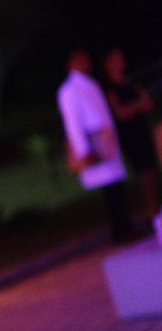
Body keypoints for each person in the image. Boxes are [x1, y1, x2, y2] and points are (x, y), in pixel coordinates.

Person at [58, 48, 132, 242]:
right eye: (80, 59)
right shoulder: (69, 90)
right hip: (94, 142)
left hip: (105, 140)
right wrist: (84, 151)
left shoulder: (89, 83)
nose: (86, 61)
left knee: (116, 185)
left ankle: (125, 227)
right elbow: (73, 123)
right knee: (109, 189)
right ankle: (120, 231)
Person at [103, 46, 161, 224]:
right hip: (130, 134)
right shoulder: (111, 89)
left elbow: (148, 103)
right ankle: (152, 215)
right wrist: (138, 105)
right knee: (145, 172)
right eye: (116, 58)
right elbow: (120, 113)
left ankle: (156, 212)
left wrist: (139, 104)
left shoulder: (130, 82)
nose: (121, 61)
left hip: (142, 129)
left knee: (152, 170)